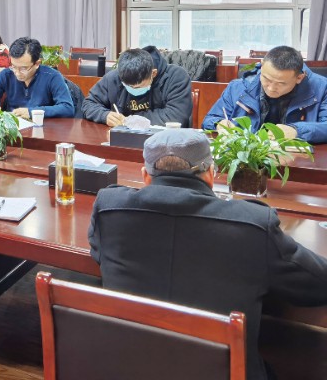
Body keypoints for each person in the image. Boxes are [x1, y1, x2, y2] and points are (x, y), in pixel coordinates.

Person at [89, 129, 327, 380]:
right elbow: (318, 283)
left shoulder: (109, 209)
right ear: (211, 174)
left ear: (145, 176)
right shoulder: (253, 225)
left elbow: (98, 252)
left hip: (127, 370)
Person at [203, 45, 327, 144]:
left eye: (281, 83)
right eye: (266, 79)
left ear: (299, 78)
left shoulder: (322, 89)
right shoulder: (238, 87)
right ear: (262, 66)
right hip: (248, 159)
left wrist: (296, 131)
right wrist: (219, 124)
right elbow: (209, 120)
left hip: (298, 160)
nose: (271, 88)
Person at [82, 45, 192, 127]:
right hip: (123, 139)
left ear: (153, 74)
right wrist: (104, 115)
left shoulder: (176, 77)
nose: (133, 90)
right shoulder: (114, 77)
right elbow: (89, 104)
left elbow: (176, 116)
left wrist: (131, 120)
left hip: (165, 140)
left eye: (138, 87)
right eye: (128, 86)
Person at [0, 37, 74, 119]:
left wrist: (32, 112)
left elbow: (67, 108)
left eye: (23, 68)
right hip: (13, 128)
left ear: (37, 63)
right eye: (13, 66)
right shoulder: (6, 74)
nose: (17, 73)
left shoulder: (52, 76)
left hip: (42, 129)